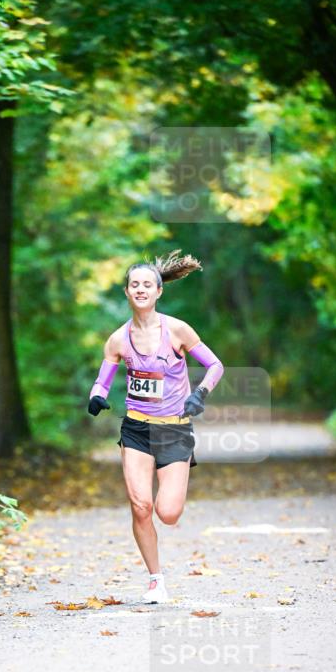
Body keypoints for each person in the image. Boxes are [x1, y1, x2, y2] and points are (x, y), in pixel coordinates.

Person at [88, 250, 224, 603]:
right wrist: (97, 397)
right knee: (140, 506)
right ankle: (155, 580)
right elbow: (102, 381)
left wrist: (200, 394)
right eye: (134, 284)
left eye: (147, 284)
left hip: (174, 430)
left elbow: (215, 366)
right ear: (126, 291)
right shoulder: (118, 339)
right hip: (136, 429)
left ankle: (170, 498)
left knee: (168, 513)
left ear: (159, 291)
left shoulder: (177, 330)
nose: (140, 289)